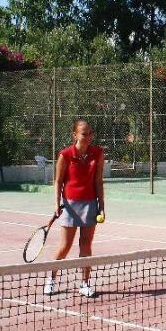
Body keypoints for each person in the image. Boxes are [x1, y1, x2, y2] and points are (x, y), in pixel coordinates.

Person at [45, 118, 105, 298]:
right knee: (65, 246)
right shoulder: (65, 155)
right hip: (70, 205)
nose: (87, 137)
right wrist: (57, 203)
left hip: (90, 205)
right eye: (84, 134)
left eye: (89, 134)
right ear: (75, 135)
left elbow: (98, 181)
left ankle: (84, 284)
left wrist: (101, 206)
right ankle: (51, 280)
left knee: (85, 246)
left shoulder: (97, 153)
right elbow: (58, 181)